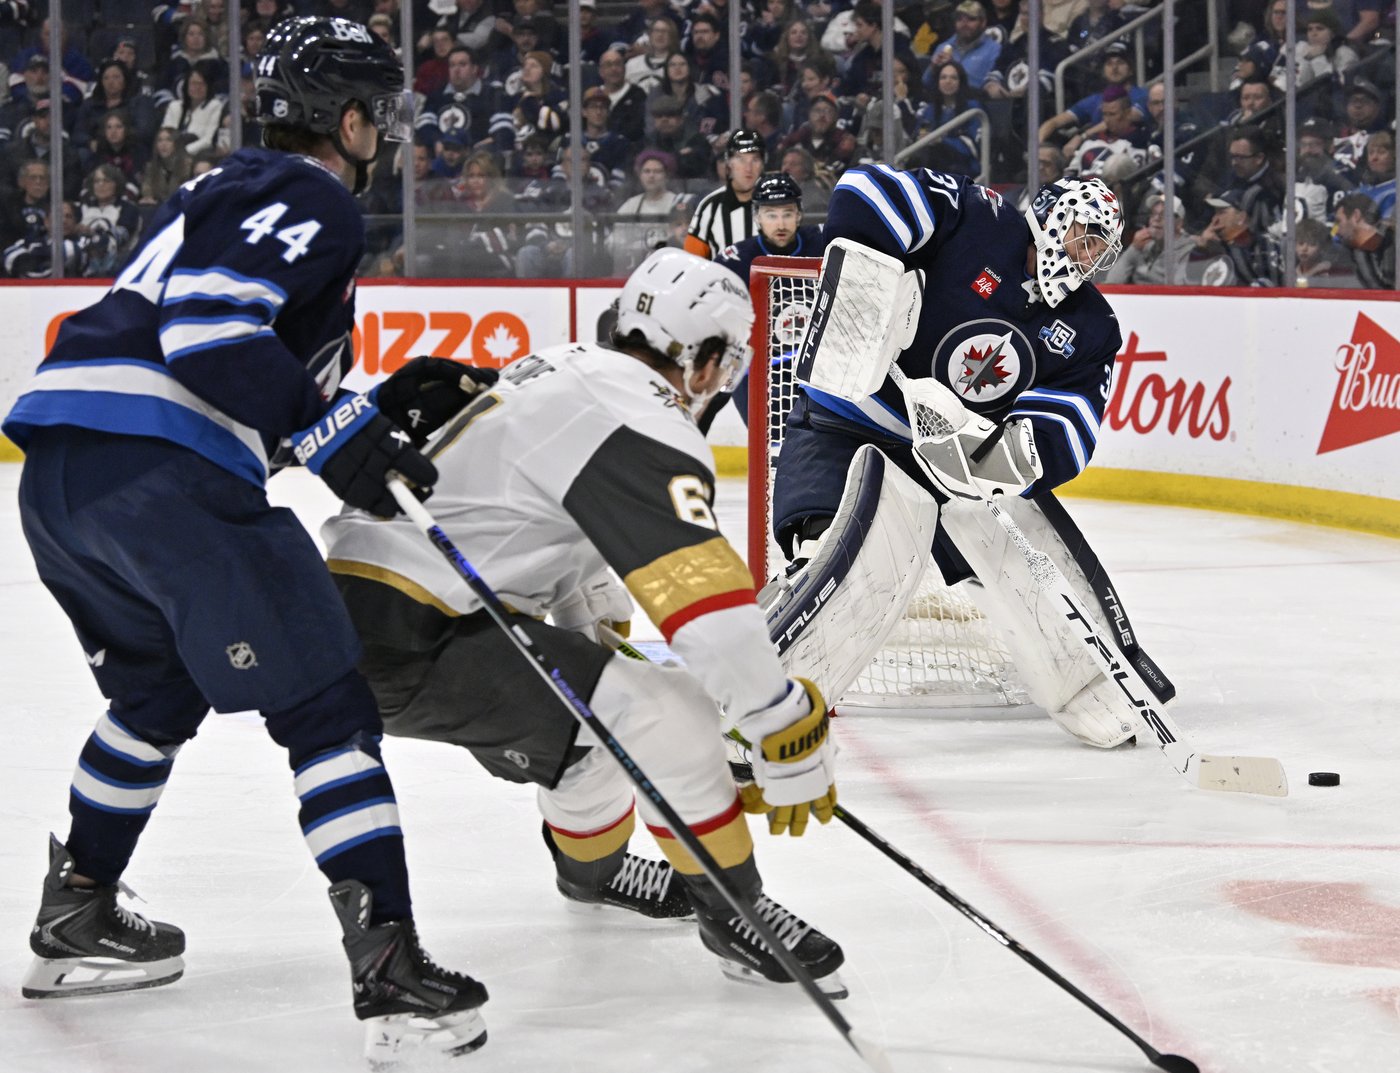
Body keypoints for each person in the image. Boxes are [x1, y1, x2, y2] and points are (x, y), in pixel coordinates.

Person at [2, 17, 492, 1063]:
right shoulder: (308, 193)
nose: (387, 133)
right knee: (326, 702)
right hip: (162, 470)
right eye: (380, 112)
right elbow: (213, 332)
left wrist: (344, 408)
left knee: (156, 692)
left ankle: (76, 911)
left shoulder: (224, 191)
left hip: (62, 475)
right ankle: (392, 970)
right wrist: (332, 429)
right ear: (347, 118)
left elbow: (225, 351)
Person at [321, 247, 848, 1003]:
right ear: (699, 360)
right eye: (725, 363)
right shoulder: (638, 415)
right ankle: (734, 912)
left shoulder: (564, 368)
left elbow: (563, 540)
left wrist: (596, 637)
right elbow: (707, 602)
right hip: (419, 634)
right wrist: (776, 718)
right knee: (672, 714)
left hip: (378, 617)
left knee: (596, 742)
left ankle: (592, 875)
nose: (722, 383)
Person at [769, 165, 1138, 750]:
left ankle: (1095, 685)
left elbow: (1071, 420)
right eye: (1084, 236)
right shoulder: (980, 218)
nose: (1089, 257)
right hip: (846, 422)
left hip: (953, 460)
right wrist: (866, 282)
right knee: (844, 559)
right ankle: (766, 699)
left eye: (1100, 249)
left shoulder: (1092, 325)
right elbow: (868, 189)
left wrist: (1002, 460)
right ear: (1052, 217)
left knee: (1036, 568)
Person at [685, 128, 765, 259]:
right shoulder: (710, 207)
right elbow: (692, 261)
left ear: (762, 163)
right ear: (729, 163)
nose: (748, 168)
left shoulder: (778, 203)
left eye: (755, 160)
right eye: (741, 159)